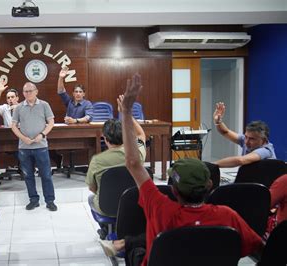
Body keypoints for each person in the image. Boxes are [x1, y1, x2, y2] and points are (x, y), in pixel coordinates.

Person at [99, 74, 263, 266]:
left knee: (137, 249)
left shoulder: (160, 209)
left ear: (173, 190)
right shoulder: (228, 215)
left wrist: (125, 112)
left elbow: (133, 163)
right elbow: (259, 248)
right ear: (210, 185)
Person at [11, 82, 57, 211]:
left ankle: (50, 201)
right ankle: (33, 200)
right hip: (24, 147)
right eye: (25, 91)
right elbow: (13, 125)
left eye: (30, 91)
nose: (28, 93)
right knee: (28, 175)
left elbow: (51, 122)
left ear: (36, 91)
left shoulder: (44, 105)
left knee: (46, 175)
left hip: (41, 146)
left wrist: (42, 135)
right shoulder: (19, 107)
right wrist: (23, 137)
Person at [86, 118, 146, 216]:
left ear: (105, 138)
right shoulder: (137, 153)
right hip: (134, 205)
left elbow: (92, 188)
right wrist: (127, 112)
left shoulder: (97, 161)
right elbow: (141, 135)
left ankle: (106, 227)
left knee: (91, 198)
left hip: (106, 208)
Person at [213, 102, 276, 167]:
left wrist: (211, 165)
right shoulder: (245, 140)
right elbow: (225, 132)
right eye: (246, 137)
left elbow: (240, 160)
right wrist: (218, 121)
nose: (246, 142)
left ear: (264, 140)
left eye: (252, 139)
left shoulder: (266, 150)